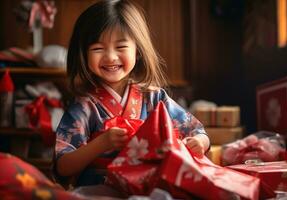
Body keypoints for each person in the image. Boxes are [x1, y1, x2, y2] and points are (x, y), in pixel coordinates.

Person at [54, 0, 210, 187]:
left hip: (149, 184)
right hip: (100, 188)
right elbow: (62, 166)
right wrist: (101, 143)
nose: (111, 57)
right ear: (83, 54)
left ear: (137, 51)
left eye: (121, 47)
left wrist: (200, 142)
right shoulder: (84, 106)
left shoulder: (154, 97)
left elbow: (198, 132)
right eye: (98, 48)